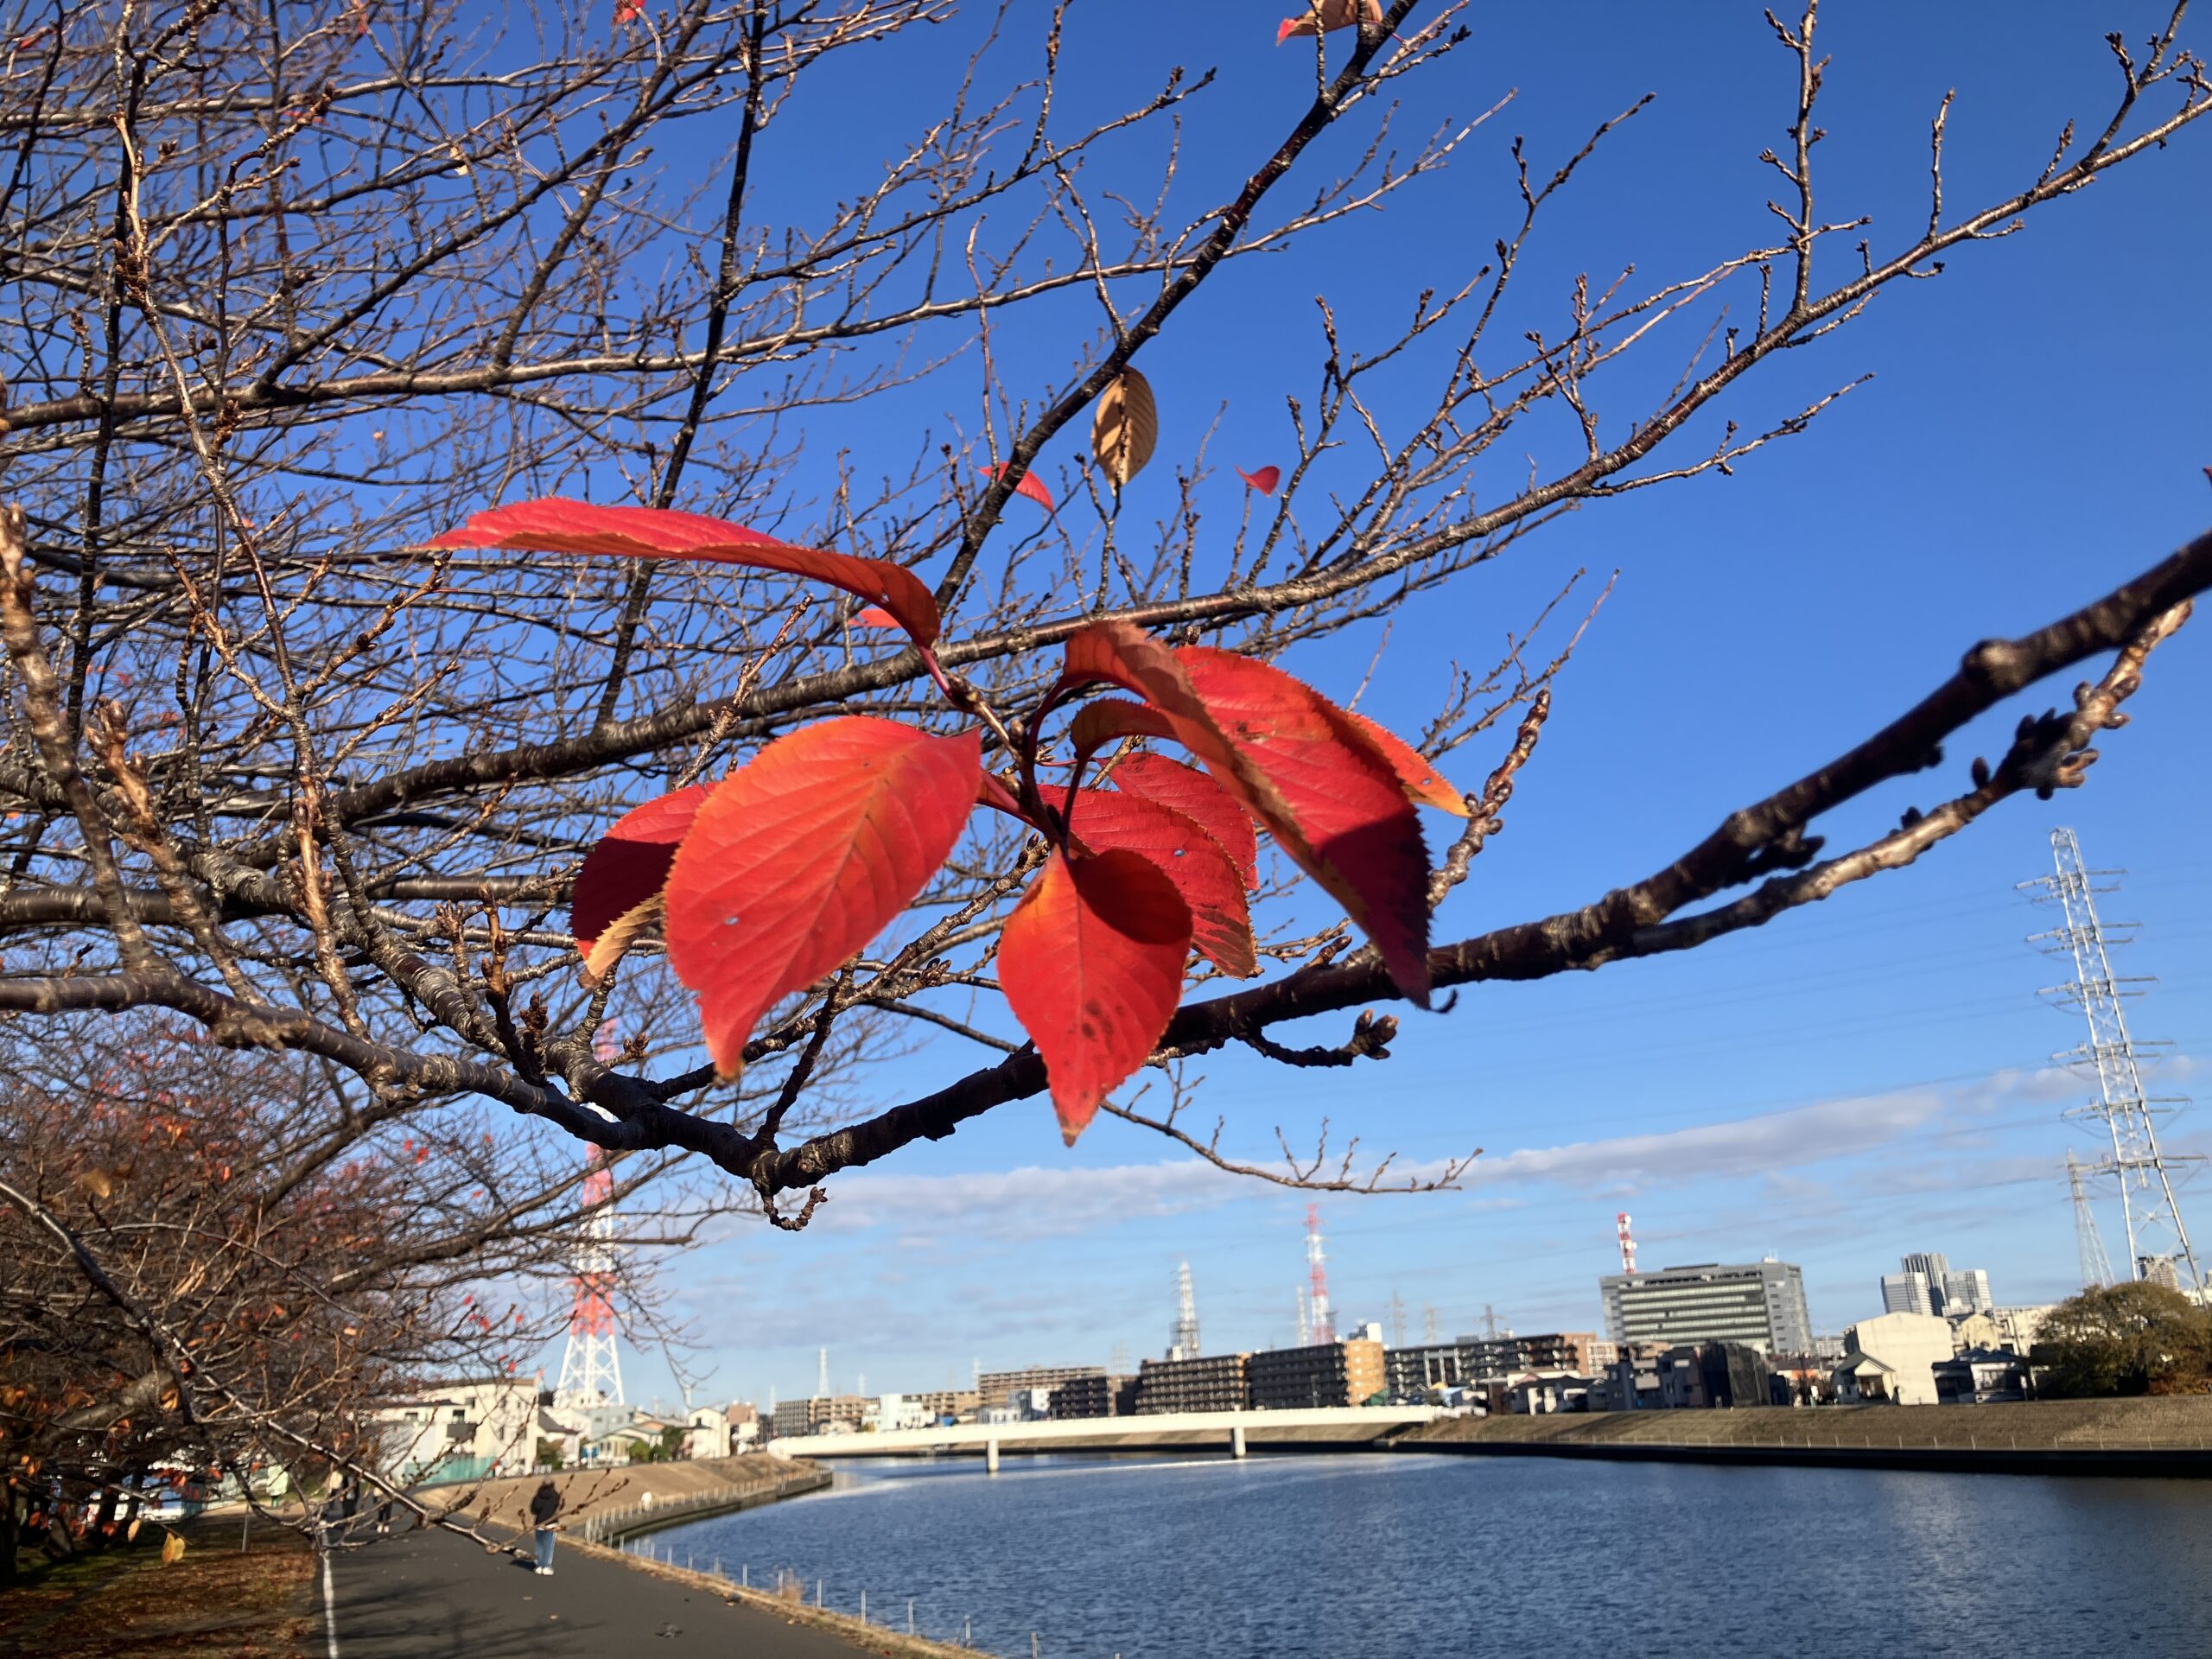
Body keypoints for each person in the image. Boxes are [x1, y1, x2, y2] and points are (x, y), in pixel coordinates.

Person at [528, 1478, 561, 1576]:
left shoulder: (537, 1497)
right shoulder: (556, 1496)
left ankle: (539, 1566)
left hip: (539, 1523)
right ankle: (546, 1566)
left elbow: (533, 1510)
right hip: (551, 1524)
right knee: (548, 1546)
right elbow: (559, 1507)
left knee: (539, 1545)